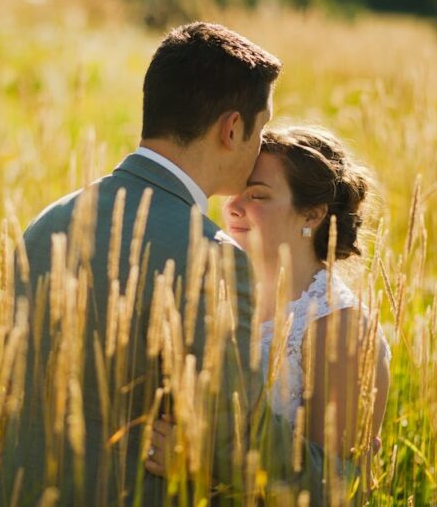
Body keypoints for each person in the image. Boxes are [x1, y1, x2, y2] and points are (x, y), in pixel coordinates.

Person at [0, 22, 329, 506]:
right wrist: (335, 475)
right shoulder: (210, 258)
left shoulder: (48, 224)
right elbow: (233, 439)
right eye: (262, 127)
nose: (261, 146)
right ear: (232, 129)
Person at [146, 125, 391, 493]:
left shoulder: (342, 330)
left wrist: (199, 469)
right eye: (235, 192)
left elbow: (331, 488)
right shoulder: (214, 299)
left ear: (312, 216)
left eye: (257, 196)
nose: (232, 207)